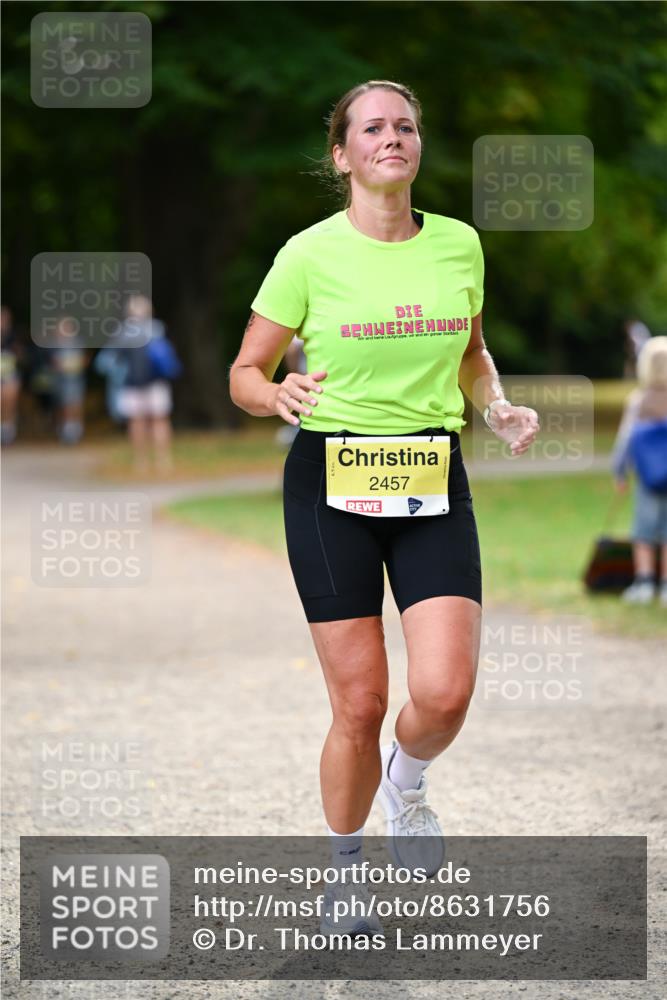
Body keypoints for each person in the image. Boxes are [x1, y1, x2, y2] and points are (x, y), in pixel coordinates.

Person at [230, 80, 539, 936]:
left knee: (441, 694)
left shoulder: (459, 246)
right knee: (359, 704)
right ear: (343, 155)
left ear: (417, 147)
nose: (391, 137)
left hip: (430, 473)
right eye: (372, 127)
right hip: (330, 478)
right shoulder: (306, 254)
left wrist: (496, 406)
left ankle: (407, 782)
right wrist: (275, 392)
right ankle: (344, 874)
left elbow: (472, 354)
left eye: (404, 125)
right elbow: (243, 372)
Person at [611, 335, 667, 606]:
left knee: (644, 532)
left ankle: (644, 582)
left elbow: (625, 440)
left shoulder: (639, 400)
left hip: (648, 477)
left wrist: (620, 472)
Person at [113, 295, 175, 474]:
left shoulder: (124, 333)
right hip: (151, 383)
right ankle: (159, 460)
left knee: (144, 421)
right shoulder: (157, 329)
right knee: (154, 420)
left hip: (136, 383)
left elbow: (114, 358)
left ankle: (145, 461)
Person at [51, 316, 88, 445]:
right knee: (63, 404)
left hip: (75, 378)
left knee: (76, 402)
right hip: (60, 379)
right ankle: (65, 429)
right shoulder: (54, 344)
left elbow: (84, 359)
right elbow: (51, 361)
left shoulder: (78, 342)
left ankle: (75, 428)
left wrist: (78, 364)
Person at [1, 305, 21, 445]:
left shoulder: (13, 336)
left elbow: (21, 355)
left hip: (9, 374)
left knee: (9, 400)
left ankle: (7, 430)